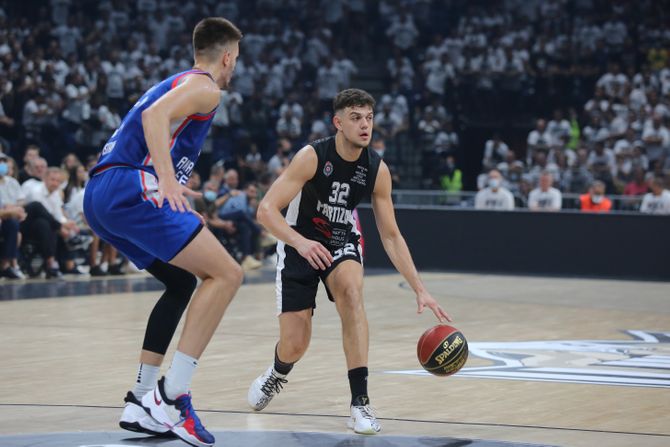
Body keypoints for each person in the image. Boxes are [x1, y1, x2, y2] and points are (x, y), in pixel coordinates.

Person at [246, 89, 451, 435]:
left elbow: (391, 236)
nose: (364, 125)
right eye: (356, 118)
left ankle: (360, 402)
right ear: (338, 122)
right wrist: (300, 242)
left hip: (341, 239)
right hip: (299, 242)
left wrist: (421, 289)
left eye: (369, 118)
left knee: (353, 295)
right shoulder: (312, 156)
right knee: (296, 344)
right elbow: (266, 210)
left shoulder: (376, 169)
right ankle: (278, 372)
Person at [83, 18, 243, 447]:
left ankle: (139, 399)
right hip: (129, 188)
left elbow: (154, 124)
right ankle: (172, 395)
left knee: (180, 281)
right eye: (235, 61)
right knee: (228, 275)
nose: (233, 71)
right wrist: (168, 183)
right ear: (227, 56)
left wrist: (169, 185)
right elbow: (155, 118)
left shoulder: (177, 81)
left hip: (100, 195)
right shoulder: (206, 86)